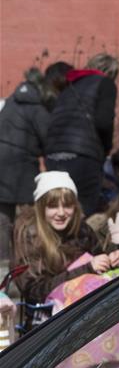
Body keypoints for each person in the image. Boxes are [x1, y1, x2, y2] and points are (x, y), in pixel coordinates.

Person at [13, 172, 119, 309]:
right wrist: (87, 268)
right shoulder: (29, 235)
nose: (61, 213)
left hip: (88, 309)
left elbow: (100, 270)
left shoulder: (82, 230)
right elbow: (33, 291)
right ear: (41, 208)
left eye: (67, 206)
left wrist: (112, 261)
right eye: (53, 206)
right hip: (47, 319)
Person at [45, 53, 119, 215]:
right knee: (83, 210)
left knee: (59, 208)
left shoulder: (69, 87)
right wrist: (105, 151)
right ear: (112, 74)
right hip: (83, 156)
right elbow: (104, 122)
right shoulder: (105, 83)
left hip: (53, 154)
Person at [0, 67, 54, 275]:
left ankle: (4, 269)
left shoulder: (11, 103)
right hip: (23, 170)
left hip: (1, 168)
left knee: (3, 222)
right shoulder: (37, 109)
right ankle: (27, 265)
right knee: (28, 219)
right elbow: (48, 139)